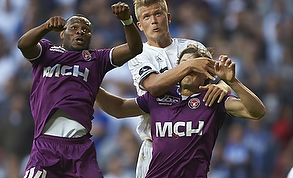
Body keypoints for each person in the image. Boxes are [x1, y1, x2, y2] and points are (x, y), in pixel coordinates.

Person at [96, 45, 266, 177]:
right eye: (183, 65)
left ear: (207, 74)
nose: (187, 70)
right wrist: (90, 85)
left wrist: (233, 82)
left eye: (193, 65)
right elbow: (118, 108)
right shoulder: (158, 97)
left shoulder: (213, 98)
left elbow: (257, 112)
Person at [17, 2, 142, 178]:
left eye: (86, 29)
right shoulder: (46, 51)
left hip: (80, 149)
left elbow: (134, 48)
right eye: (74, 27)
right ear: (62, 33)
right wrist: (46, 26)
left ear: (91, 37)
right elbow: (23, 45)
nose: (80, 31)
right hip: (46, 146)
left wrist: (127, 21)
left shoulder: (97, 59)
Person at [128, 0, 231, 178]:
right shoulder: (138, 55)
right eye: (147, 16)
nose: (154, 20)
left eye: (158, 14)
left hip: (192, 145)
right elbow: (154, 87)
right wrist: (190, 65)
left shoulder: (193, 46)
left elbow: (219, 78)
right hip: (155, 147)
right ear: (140, 25)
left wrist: (224, 86)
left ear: (168, 17)